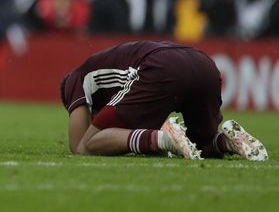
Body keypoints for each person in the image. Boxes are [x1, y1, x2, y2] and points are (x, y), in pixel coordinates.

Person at [59, 40, 268, 161]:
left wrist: (159, 142)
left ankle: (164, 137)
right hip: (203, 63)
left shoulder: (74, 79)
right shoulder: (113, 72)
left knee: (89, 144)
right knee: (200, 144)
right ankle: (227, 141)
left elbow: (79, 145)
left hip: (162, 66)